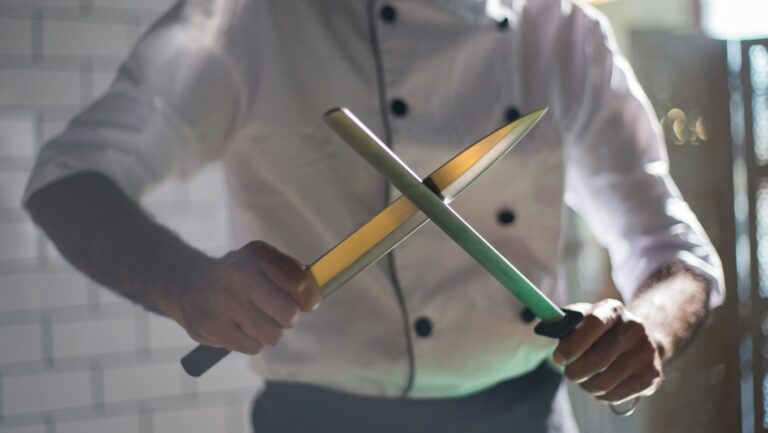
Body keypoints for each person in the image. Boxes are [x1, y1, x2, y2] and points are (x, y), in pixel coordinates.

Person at [22, 1, 724, 432]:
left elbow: (672, 249)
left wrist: (649, 331)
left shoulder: (565, 34)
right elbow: (70, 178)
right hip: (319, 422)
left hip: (523, 418)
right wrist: (187, 284)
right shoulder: (248, 17)